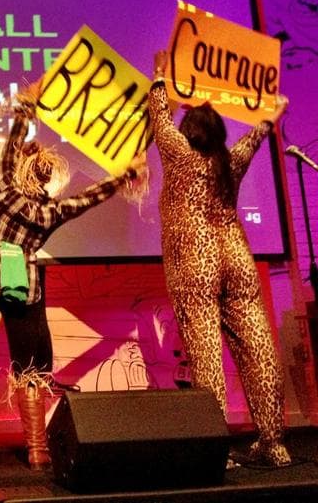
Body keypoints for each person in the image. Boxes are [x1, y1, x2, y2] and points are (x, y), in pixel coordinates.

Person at [0, 79, 146, 472]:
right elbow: (88, 199)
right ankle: (37, 449)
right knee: (30, 366)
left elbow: (9, 147)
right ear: (45, 178)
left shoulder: (5, 190)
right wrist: (123, 177)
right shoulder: (49, 212)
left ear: (22, 170)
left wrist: (27, 105)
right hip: (21, 284)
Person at [149, 50, 291, 467]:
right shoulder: (230, 160)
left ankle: (216, 449)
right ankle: (274, 442)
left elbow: (159, 118)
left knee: (206, 353)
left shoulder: (179, 154)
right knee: (258, 347)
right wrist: (273, 113)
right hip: (237, 257)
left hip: (196, 262)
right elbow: (257, 133)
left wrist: (159, 76)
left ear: (189, 130)